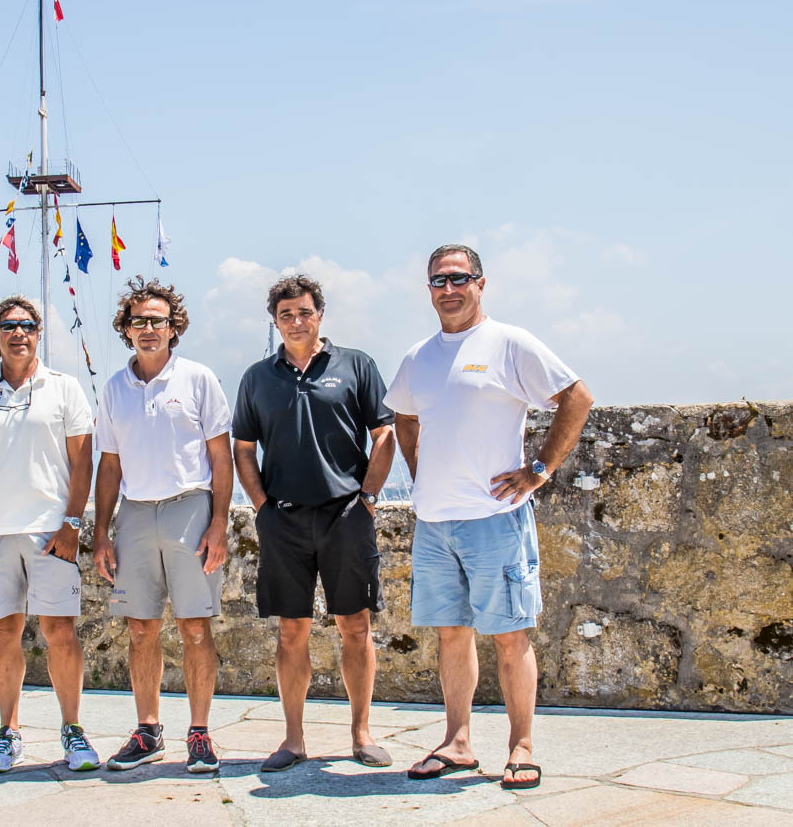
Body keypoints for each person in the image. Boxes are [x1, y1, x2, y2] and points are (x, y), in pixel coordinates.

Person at [384, 244, 593, 791]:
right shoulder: (418, 356)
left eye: (459, 279)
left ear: (481, 283)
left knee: (509, 634)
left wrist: (540, 470)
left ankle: (521, 746)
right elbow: (404, 417)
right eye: (438, 281)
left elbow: (576, 397)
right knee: (451, 635)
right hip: (434, 520)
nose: (448, 290)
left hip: (494, 518)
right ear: (427, 289)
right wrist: (420, 467)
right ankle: (457, 742)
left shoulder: (509, 343)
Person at [231, 274, 396, 772]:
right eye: (286, 315)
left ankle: (362, 733)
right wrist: (260, 506)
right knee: (290, 631)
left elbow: (384, 434)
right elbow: (243, 449)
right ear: (275, 320)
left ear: (320, 313)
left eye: (304, 312)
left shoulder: (356, 365)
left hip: (346, 514)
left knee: (356, 627)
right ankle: (293, 738)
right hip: (283, 519)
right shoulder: (257, 377)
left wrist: (367, 498)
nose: (296, 321)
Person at [0, 296, 101, 774]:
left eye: (28, 325)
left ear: (39, 332)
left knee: (60, 632)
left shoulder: (65, 388)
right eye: (8, 325)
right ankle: (8, 732)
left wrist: (72, 523)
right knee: (3, 634)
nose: (19, 333)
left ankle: (73, 731)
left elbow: (83, 462)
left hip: (50, 531)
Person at [92, 277, 233, 773]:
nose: (148, 329)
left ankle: (199, 733)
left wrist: (219, 524)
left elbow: (221, 457)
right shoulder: (114, 387)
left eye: (158, 320)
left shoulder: (198, 378)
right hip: (134, 513)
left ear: (174, 328)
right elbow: (108, 466)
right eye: (139, 321)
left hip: (190, 508)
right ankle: (148, 731)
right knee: (140, 629)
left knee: (195, 627)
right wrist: (100, 532)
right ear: (126, 329)